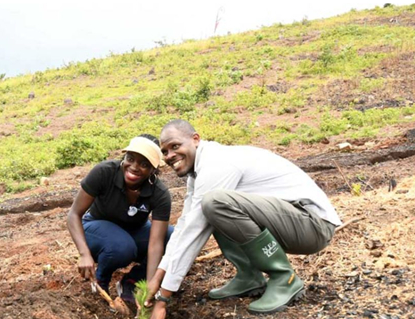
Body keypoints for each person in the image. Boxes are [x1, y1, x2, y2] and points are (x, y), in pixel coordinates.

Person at [146, 119, 342, 318]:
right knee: (210, 207)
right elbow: (184, 227)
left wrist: (163, 298)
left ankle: (284, 278)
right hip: (292, 221)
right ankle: (249, 276)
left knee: (214, 203)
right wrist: (158, 276)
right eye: (165, 151)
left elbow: (193, 233)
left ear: (195, 139)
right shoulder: (197, 174)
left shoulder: (217, 163)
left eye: (175, 146)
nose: (170, 156)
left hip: (313, 225)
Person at [67, 134, 174, 303]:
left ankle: (132, 282)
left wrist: (150, 287)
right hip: (96, 227)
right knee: (122, 247)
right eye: (130, 159)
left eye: (144, 164)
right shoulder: (104, 172)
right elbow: (74, 214)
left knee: (172, 238)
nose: (134, 167)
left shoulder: (159, 194)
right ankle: (101, 281)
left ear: (154, 169)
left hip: (134, 230)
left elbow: (155, 244)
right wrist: (84, 254)